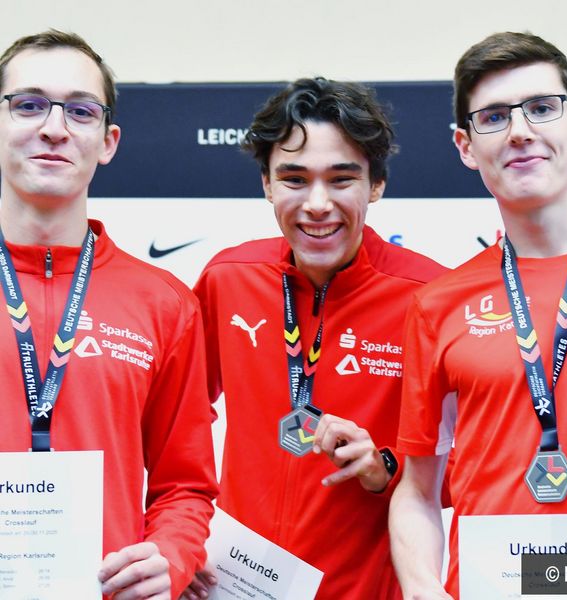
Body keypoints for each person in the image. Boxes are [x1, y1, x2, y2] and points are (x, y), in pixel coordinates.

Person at [185, 77, 447, 599]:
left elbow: (477, 465)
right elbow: (177, 422)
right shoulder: (228, 277)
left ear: (376, 184)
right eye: (295, 179)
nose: (318, 203)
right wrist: (182, 534)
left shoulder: (430, 298)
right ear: (267, 184)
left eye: (342, 179)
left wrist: (385, 467)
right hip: (236, 586)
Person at [0, 30, 218, 599]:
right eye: (29, 104)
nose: (54, 128)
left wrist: (171, 555)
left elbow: (185, 486)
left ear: (107, 141)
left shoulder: (164, 302)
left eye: (80, 111)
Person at [389, 31, 567, 599]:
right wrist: (421, 587)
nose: (520, 131)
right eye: (495, 117)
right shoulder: (438, 304)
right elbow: (417, 490)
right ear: (465, 145)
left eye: (541, 108)